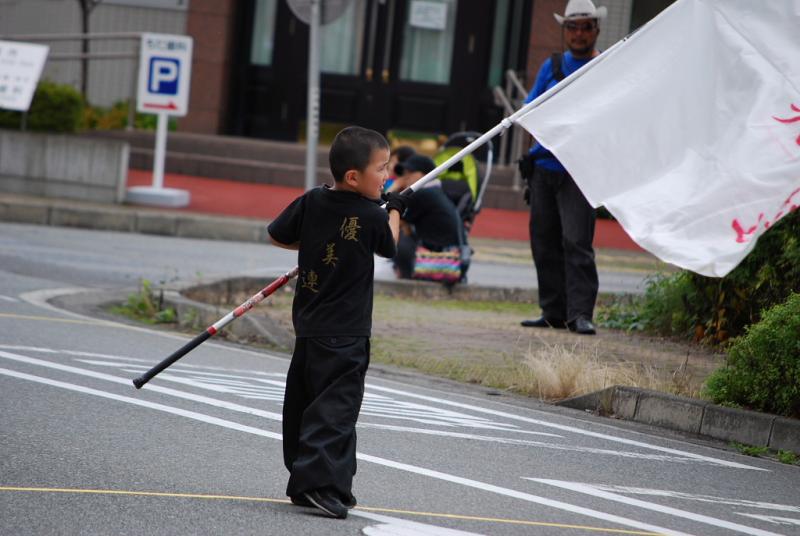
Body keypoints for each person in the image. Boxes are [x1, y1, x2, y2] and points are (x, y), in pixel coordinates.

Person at [267, 126, 408, 519]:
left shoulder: (313, 201)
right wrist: (395, 208)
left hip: (309, 327)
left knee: (305, 401)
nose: (387, 177)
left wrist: (314, 241)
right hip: (346, 333)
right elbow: (390, 246)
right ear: (353, 176)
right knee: (336, 409)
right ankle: (317, 485)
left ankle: (323, 482)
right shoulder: (371, 215)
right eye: (382, 169)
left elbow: (278, 236)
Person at [519, 0, 605, 336]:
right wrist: (529, 157)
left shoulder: (606, 66)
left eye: (585, 27)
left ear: (596, 30)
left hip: (580, 170)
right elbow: (529, 111)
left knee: (577, 242)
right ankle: (552, 311)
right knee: (544, 241)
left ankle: (580, 314)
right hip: (543, 167)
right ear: (564, 31)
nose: (579, 33)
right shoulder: (550, 66)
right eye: (573, 27)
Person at [389, 154, 465, 280]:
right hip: (451, 253)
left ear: (425, 175)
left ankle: (405, 278)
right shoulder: (434, 190)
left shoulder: (424, 193)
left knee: (396, 236)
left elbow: (392, 218)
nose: (405, 176)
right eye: (405, 172)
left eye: (410, 172)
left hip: (442, 258)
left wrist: (395, 187)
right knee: (403, 232)